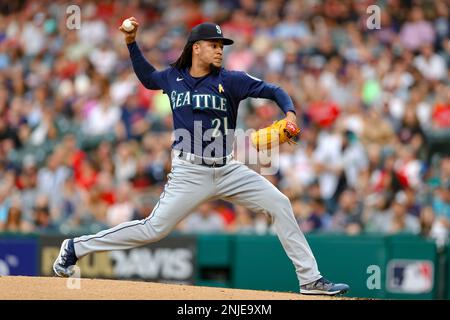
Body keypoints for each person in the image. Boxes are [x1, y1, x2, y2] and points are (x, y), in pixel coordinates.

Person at [53, 18, 349, 296]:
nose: (220, 50)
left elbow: (275, 90)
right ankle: (75, 247)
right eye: (214, 45)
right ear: (196, 48)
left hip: (228, 168)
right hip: (189, 171)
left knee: (279, 203)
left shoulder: (232, 80)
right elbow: (147, 78)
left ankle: (310, 279)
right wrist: (131, 42)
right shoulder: (173, 77)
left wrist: (291, 114)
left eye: (222, 46)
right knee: (153, 229)